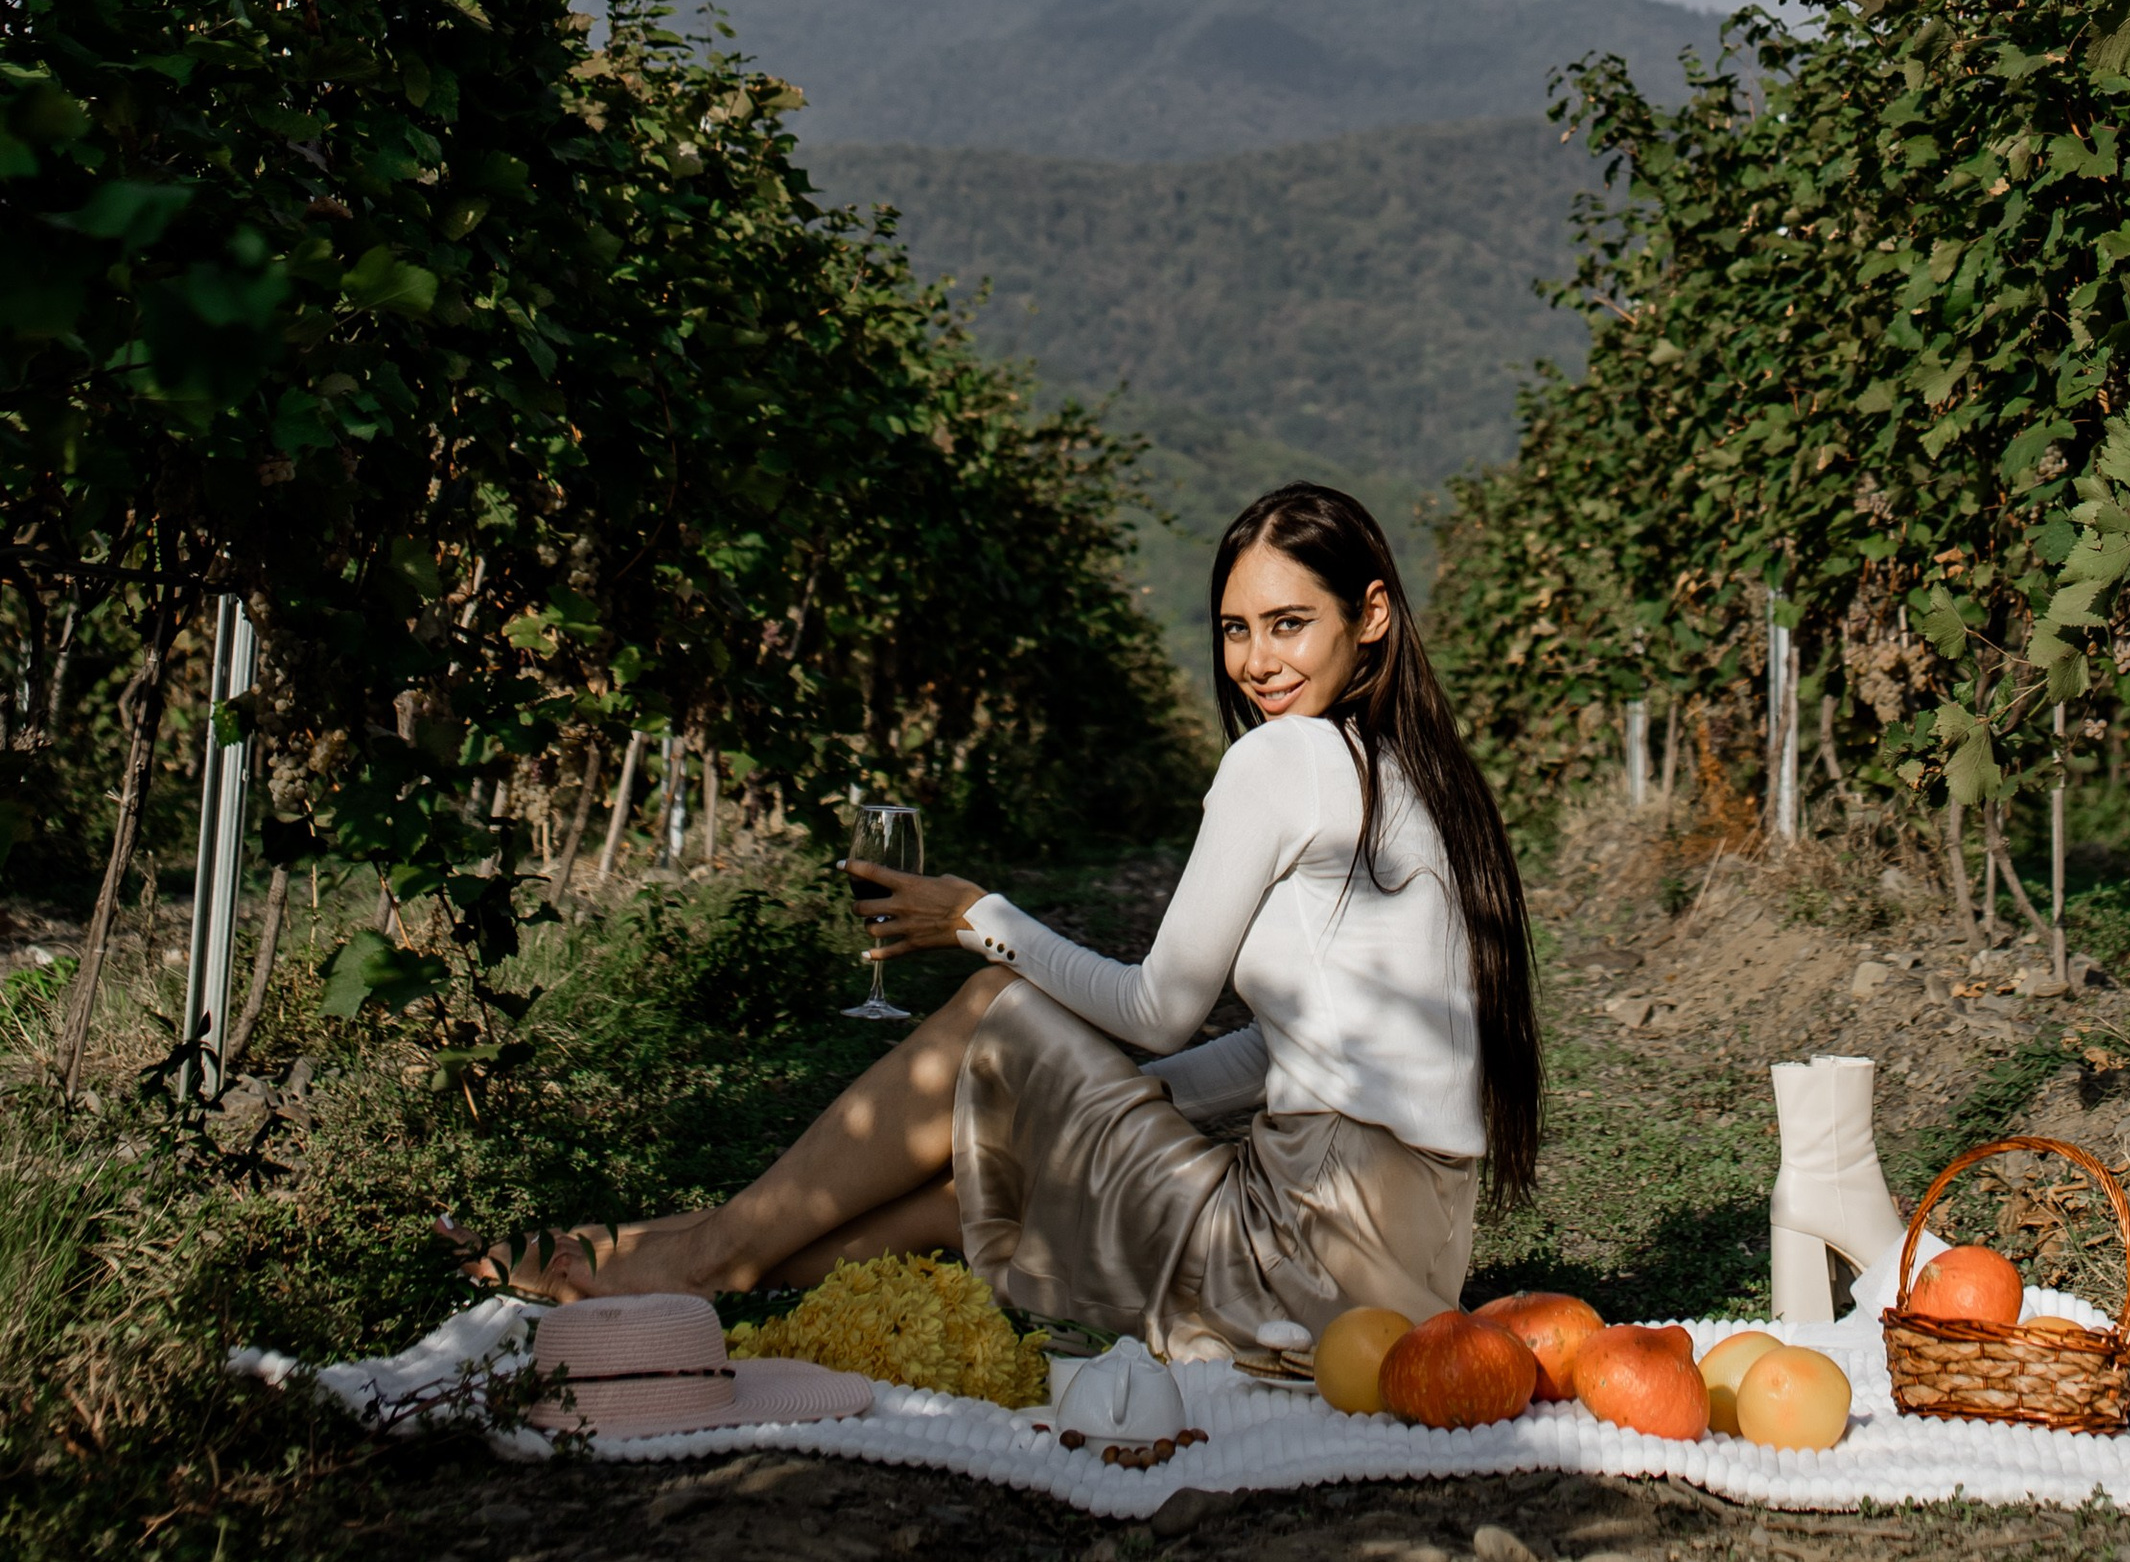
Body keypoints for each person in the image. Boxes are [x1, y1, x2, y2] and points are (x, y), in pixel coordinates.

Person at [470, 483, 1540, 1358]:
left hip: (1297, 1266)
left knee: (994, 1004)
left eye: (1289, 623)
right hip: (1404, 1289)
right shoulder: (1418, 783)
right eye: (1235, 629)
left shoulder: (1284, 759)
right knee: (987, 1180)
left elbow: (1160, 1008)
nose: (1259, 661)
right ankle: (659, 1258)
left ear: (1372, 614)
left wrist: (980, 917)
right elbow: (1287, 1046)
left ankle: (687, 1259)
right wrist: (1096, 1107)